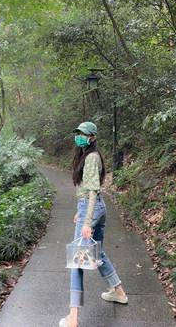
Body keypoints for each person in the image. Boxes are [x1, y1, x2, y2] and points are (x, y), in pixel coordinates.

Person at [59, 122, 128, 327]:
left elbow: (92, 191)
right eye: (77, 133)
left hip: (92, 209)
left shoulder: (91, 157)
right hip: (95, 208)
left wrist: (86, 221)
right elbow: (87, 193)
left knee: (77, 261)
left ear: (92, 137)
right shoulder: (87, 156)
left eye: (83, 134)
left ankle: (73, 317)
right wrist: (79, 213)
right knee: (97, 253)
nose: (79, 136)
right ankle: (119, 292)